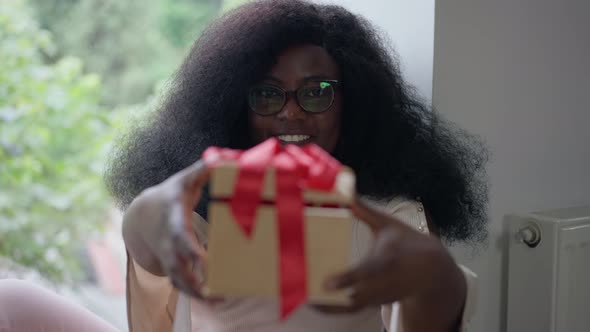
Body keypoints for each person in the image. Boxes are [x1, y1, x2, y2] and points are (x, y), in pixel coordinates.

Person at [0, 0, 487, 331]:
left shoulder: (390, 215)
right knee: (13, 301)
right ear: (235, 108)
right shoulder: (201, 205)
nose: (291, 112)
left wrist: (439, 282)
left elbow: (428, 310)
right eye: (267, 94)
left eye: (317, 93)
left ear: (353, 103)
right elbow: (154, 291)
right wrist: (145, 219)